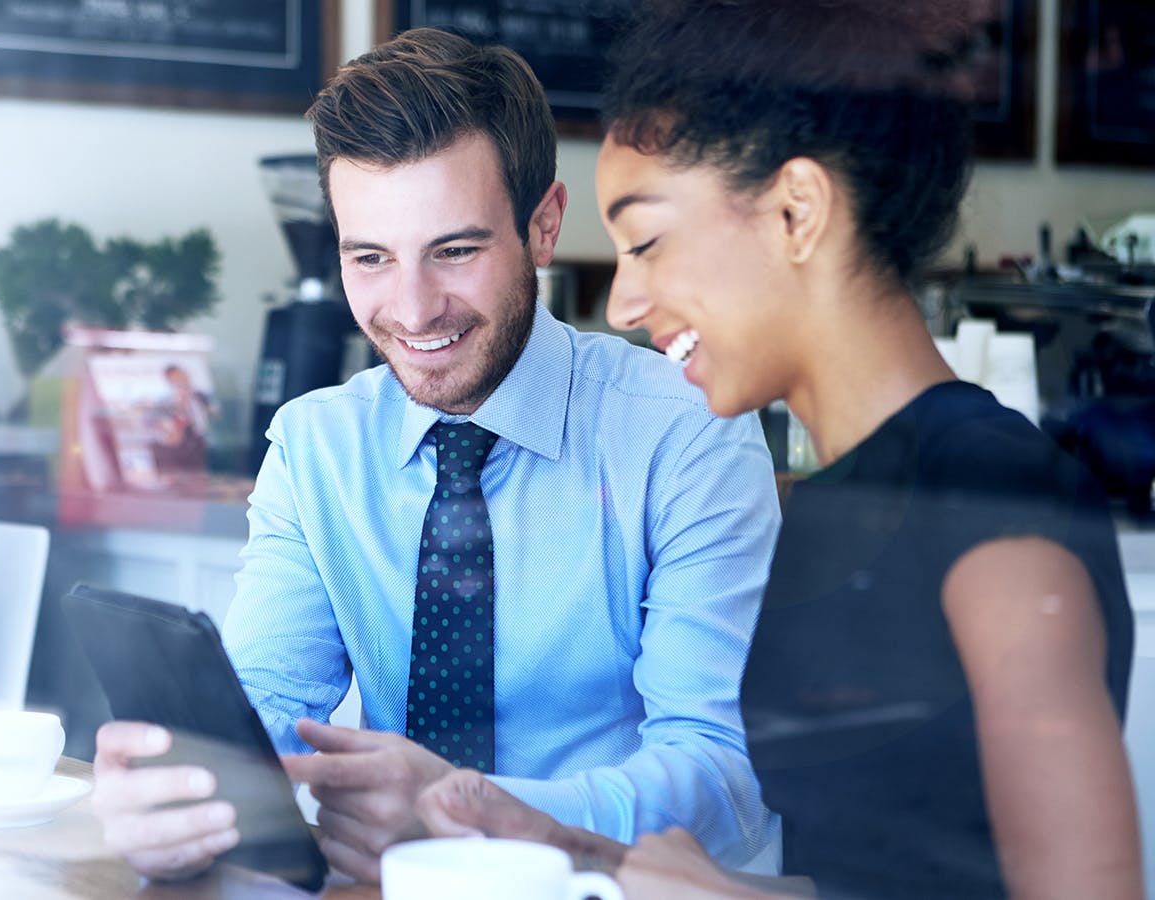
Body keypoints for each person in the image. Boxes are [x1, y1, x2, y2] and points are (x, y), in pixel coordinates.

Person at [415, 3, 1142, 898]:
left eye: (645, 242)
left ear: (797, 211)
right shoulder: (837, 500)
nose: (623, 304)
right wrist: (578, 848)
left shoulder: (987, 498)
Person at [90, 27, 782, 882]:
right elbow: (263, 710)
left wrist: (475, 812)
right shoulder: (316, 449)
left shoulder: (688, 432)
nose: (413, 310)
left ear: (543, 226)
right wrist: (181, 786)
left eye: (455, 250)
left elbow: (720, 772)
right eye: (370, 258)